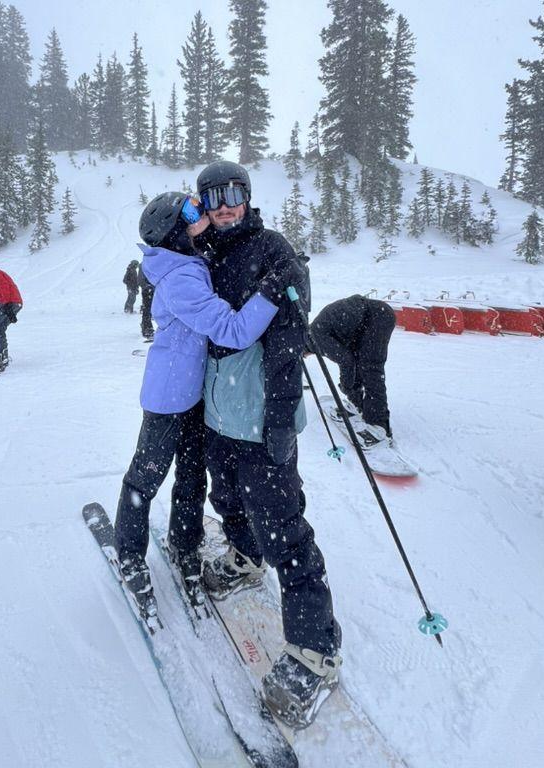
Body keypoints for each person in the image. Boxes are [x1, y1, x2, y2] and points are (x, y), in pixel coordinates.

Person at [195, 160, 342, 728]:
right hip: (219, 411)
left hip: (261, 415)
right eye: (213, 197)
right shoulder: (206, 252)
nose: (225, 205)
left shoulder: (273, 251)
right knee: (227, 497)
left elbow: (288, 346)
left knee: (282, 524)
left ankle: (315, 648)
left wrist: (280, 420)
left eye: (234, 193)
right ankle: (243, 555)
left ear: (248, 196)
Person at [114, 191, 298, 614]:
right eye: (191, 210)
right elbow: (233, 330)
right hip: (167, 398)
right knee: (146, 477)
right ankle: (129, 553)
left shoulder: (190, 262)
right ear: (174, 230)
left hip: (194, 394)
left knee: (193, 476)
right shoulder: (180, 278)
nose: (202, 212)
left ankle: (185, 542)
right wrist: (270, 292)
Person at [309, 295, 397, 447]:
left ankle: (379, 426)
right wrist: (352, 392)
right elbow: (350, 359)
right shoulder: (316, 332)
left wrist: (347, 387)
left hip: (376, 317)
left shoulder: (316, 338)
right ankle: (359, 405)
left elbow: (346, 361)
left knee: (371, 369)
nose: (306, 357)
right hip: (369, 319)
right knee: (360, 362)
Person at [137, 263, 155, 340]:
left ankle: (146, 327)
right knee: (147, 309)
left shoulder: (146, 264)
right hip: (148, 290)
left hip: (150, 289)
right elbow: (140, 280)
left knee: (148, 309)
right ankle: (147, 329)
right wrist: (147, 286)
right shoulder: (145, 264)